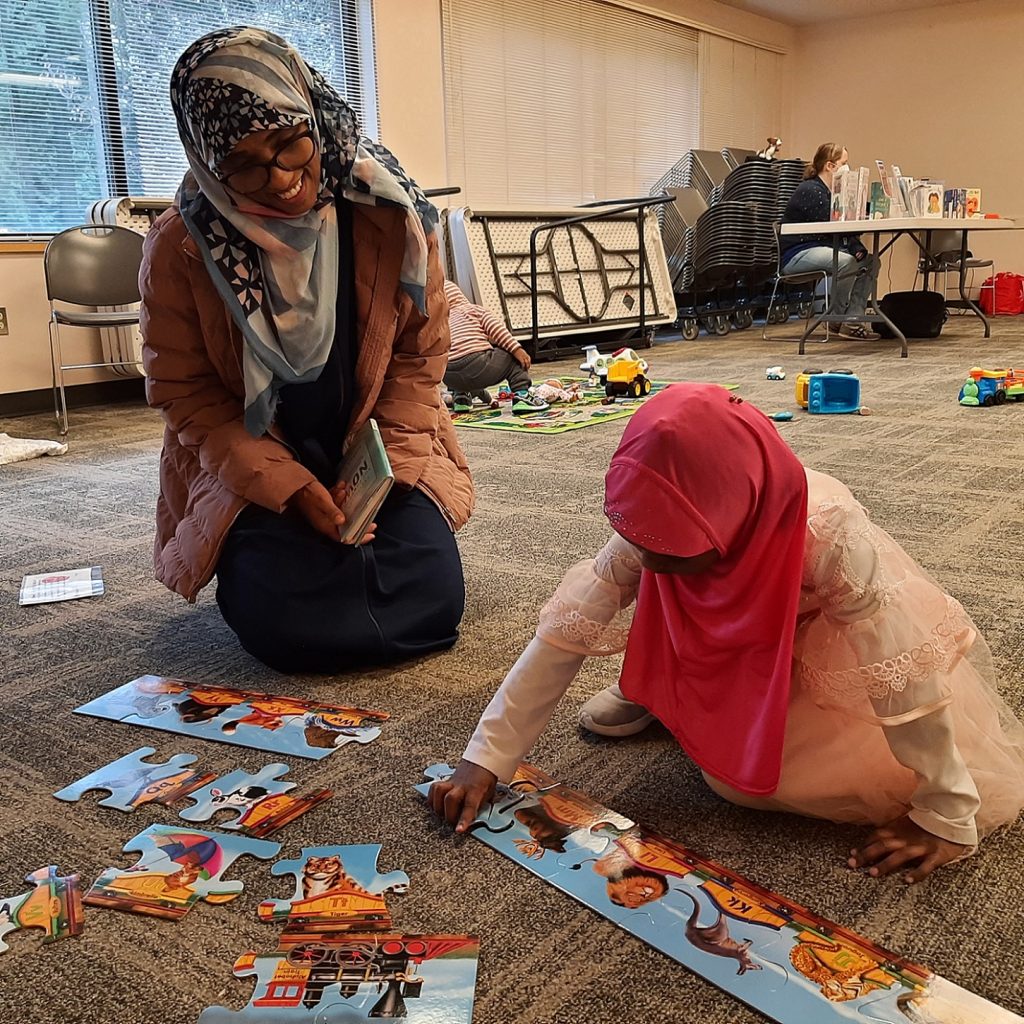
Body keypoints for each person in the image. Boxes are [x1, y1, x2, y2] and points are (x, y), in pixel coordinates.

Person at [429, 384, 1024, 883]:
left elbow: (904, 675)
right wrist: (487, 757)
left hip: (797, 647)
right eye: (646, 548)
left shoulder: (832, 538)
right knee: (608, 710)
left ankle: (681, 706)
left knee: (746, 786)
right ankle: (665, 700)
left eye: (678, 554)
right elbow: (563, 635)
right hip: (705, 642)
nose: (654, 567)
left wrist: (947, 809)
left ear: (732, 521)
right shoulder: (649, 535)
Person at [140, 27, 473, 673]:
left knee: (429, 602)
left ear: (314, 115)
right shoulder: (180, 244)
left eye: (292, 142)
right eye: (243, 162)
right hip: (256, 457)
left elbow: (417, 360)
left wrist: (392, 472)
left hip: (380, 442)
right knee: (289, 625)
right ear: (209, 160)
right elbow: (187, 395)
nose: (283, 179)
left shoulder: (390, 211)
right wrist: (290, 489)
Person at [781, 142, 881, 341]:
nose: (847, 167)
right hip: (797, 253)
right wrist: (854, 245)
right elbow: (835, 227)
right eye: (844, 163)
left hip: (821, 248)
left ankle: (852, 319)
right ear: (830, 166)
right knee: (846, 262)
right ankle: (836, 316)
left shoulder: (830, 193)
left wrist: (856, 246)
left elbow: (840, 232)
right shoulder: (811, 190)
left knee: (871, 262)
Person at [444, 281, 548, 415]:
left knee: (453, 356)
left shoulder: (440, 321)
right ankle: (522, 395)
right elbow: (497, 331)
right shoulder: (473, 310)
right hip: (478, 365)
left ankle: (460, 399)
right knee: (510, 355)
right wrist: (517, 349)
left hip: (449, 376)